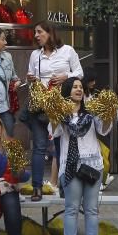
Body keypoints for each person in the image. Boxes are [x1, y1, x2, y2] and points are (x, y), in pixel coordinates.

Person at [54, 77, 111, 235]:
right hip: (70, 166)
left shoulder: (91, 111)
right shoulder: (62, 114)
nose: (78, 89)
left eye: (80, 87)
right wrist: (53, 112)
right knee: (71, 210)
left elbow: (103, 130)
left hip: (92, 166)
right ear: (67, 91)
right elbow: (53, 133)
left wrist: (109, 111)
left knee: (92, 210)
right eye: (74, 87)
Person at [26, 21, 83, 201]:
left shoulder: (68, 51)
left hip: (61, 105)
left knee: (62, 147)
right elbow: (30, 80)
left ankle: (65, 185)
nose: (36, 35)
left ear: (50, 33)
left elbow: (79, 72)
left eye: (39, 31)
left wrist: (66, 76)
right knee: (39, 147)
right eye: (36, 32)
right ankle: (37, 187)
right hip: (40, 106)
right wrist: (31, 79)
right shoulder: (35, 55)